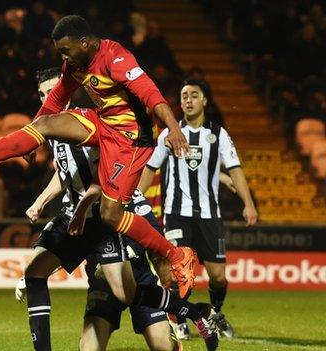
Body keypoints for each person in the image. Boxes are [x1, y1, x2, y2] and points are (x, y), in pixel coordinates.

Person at [0, 15, 196, 298]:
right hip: (103, 122)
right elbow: (54, 101)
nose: (63, 56)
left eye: (66, 49)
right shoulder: (75, 63)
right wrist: (32, 142)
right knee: (44, 123)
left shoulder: (116, 59)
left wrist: (174, 128)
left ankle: (177, 255)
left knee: (111, 215)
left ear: (85, 43)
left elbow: (151, 94)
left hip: (132, 138)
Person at [13, 68, 217, 351]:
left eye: (53, 91)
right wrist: (40, 202)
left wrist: (85, 205)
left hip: (101, 217)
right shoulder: (51, 128)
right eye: (43, 94)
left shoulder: (87, 124)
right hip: (75, 215)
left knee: (129, 290)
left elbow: (106, 179)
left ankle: (190, 311)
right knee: (34, 273)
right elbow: (66, 172)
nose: (49, 98)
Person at [138, 78, 258, 340]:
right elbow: (150, 169)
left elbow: (234, 169)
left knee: (218, 277)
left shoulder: (218, 135)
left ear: (205, 101)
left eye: (194, 95)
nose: (188, 100)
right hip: (177, 214)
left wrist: (248, 203)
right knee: (181, 272)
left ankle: (215, 313)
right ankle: (179, 319)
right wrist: (134, 197)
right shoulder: (170, 136)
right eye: (184, 96)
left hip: (209, 216)